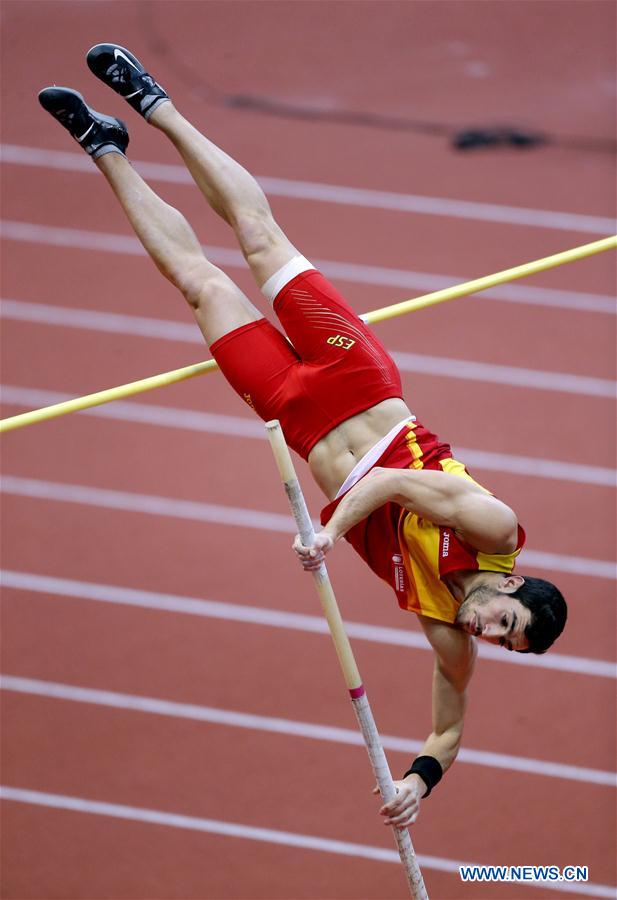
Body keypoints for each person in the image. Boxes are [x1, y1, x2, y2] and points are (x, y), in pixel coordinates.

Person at [39, 43, 567, 830]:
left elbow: (448, 730)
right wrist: (328, 534)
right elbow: (388, 484)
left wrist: (417, 785)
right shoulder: (493, 531)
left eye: (500, 645)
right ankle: (157, 103)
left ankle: (103, 147)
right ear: (514, 587)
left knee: (199, 284)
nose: (484, 634)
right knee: (256, 235)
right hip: (358, 380)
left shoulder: (448, 640)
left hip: (296, 417)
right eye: (505, 624)